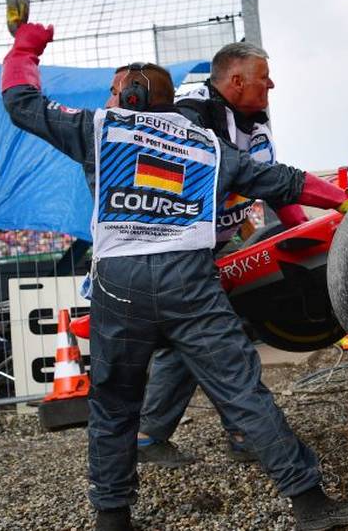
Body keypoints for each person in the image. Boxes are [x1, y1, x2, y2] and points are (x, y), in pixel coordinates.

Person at [0, 14, 348, 530]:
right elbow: (286, 182)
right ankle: (310, 504)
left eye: (113, 90)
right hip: (191, 283)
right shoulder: (212, 148)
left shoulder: (99, 128)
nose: (108, 98)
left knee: (113, 406)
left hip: (119, 286)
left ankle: (112, 519)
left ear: (130, 97)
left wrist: (25, 47)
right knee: (242, 393)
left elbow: (21, 103)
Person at [135, 42, 305, 468]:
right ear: (236, 80)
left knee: (191, 340)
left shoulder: (256, 122)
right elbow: (212, 172)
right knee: (221, 337)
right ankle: (245, 430)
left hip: (212, 243)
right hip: (173, 249)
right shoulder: (189, 114)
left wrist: (302, 231)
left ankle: (149, 434)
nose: (272, 84)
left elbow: (272, 181)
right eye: (263, 76)